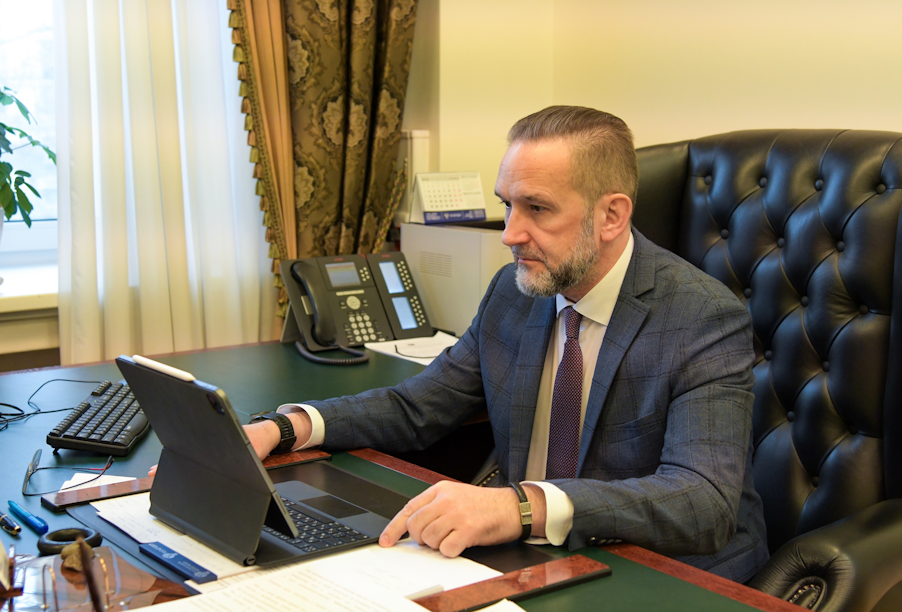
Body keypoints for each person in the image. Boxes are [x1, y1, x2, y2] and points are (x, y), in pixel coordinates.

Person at [245, 106, 769, 582]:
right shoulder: (514, 292)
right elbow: (417, 406)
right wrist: (286, 427)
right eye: (508, 205)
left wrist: (520, 507)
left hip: (661, 571)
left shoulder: (701, 316)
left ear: (611, 216)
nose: (510, 234)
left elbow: (704, 501)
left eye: (537, 208)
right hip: (529, 560)